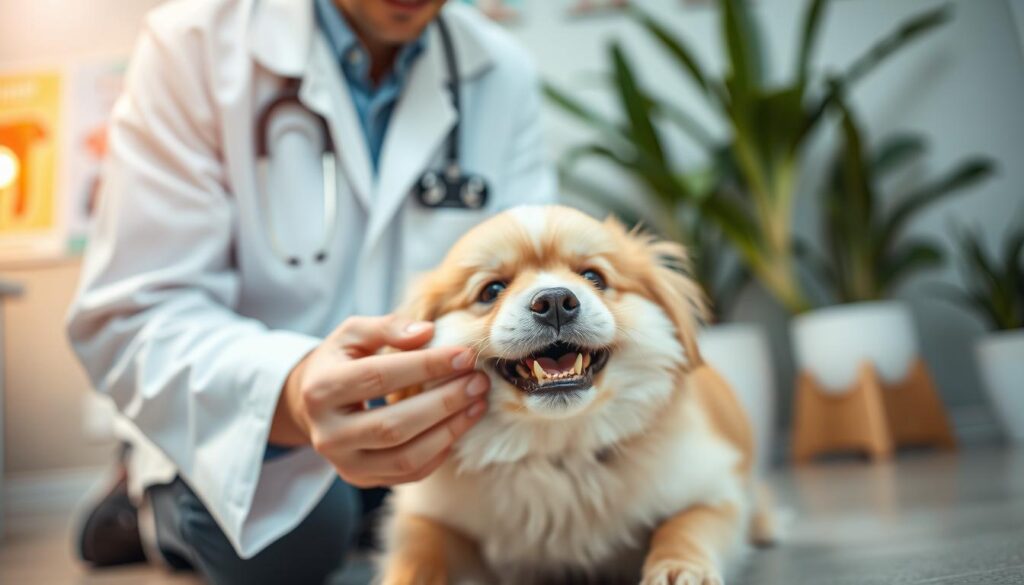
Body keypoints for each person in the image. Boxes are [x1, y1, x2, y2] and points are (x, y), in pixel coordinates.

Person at [65, 0, 555, 582]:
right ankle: (144, 502)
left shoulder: (501, 71)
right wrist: (290, 391)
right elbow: (133, 312)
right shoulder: (192, 45)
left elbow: (530, 271)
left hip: (437, 420)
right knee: (295, 539)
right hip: (249, 411)